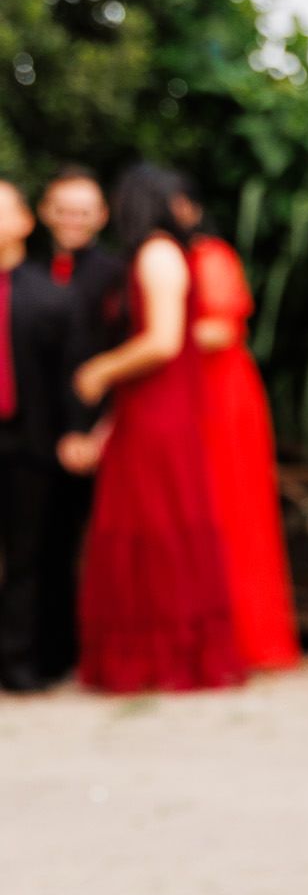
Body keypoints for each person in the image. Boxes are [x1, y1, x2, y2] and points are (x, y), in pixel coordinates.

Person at [72, 164, 243, 696]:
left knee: (160, 529)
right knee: (143, 527)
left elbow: (164, 341)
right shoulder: (160, 255)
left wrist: (101, 370)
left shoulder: (159, 254)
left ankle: (169, 659)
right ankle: (147, 659)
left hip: (160, 413)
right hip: (146, 410)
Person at [170, 176, 300, 672]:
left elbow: (219, 330)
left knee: (233, 511)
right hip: (188, 394)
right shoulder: (173, 261)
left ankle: (250, 639)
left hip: (221, 397)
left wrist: (150, 339)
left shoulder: (211, 256)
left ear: (192, 208)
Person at [36, 167, 125, 681]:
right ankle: (44, 656)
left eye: (84, 211)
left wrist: (97, 431)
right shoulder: (25, 270)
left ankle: (94, 653)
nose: (73, 220)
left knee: (96, 548)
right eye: (64, 209)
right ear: (46, 213)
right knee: (38, 548)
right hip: (30, 436)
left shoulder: (116, 276)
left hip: (98, 433)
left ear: (102, 216)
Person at [0, 179, 72, 692]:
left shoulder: (50, 296)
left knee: (28, 557)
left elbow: (70, 377)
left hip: (29, 444)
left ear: (26, 221)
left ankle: (19, 665)